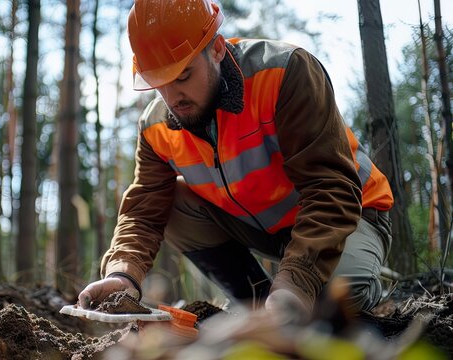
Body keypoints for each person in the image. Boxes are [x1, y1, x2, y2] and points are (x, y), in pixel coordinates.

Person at [78, 0, 393, 321]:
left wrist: (296, 282)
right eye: (159, 82)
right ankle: (254, 304)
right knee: (167, 201)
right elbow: (143, 213)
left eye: (183, 75)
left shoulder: (285, 73)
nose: (172, 98)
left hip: (350, 215)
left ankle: (354, 276)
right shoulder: (155, 125)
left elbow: (330, 187)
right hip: (266, 230)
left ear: (216, 49)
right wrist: (122, 275)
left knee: (333, 305)